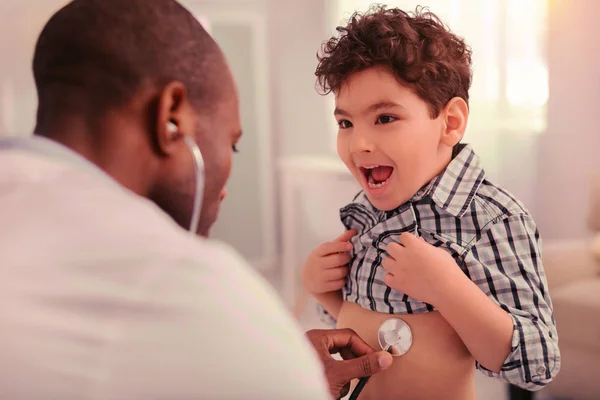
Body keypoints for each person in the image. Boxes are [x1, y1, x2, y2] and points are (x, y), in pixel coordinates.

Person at [0, 1, 394, 399]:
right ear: (171, 117)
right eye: (232, 144)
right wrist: (285, 371)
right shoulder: (183, 285)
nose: (224, 187)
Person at [301, 6, 560, 400]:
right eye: (345, 123)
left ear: (450, 123)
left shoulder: (492, 217)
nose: (359, 144)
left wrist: (447, 287)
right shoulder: (367, 209)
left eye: (385, 118)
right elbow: (368, 332)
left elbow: (537, 364)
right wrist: (325, 293)